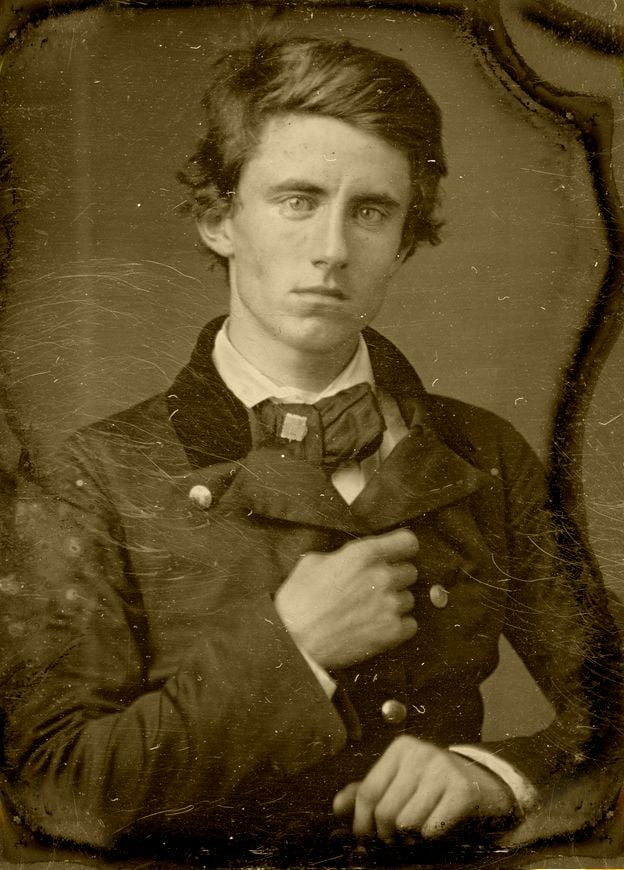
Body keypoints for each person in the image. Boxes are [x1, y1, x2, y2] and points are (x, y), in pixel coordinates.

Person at [1, 34, 622, 866]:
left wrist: (493, 778)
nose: (333, 249)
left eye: (371, 211)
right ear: (220, 219)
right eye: (298, 200)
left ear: (405, 239)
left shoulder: (485, 452)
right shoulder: (91, 475)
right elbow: (56, 790)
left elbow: (610, 716)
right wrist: (292, 649)